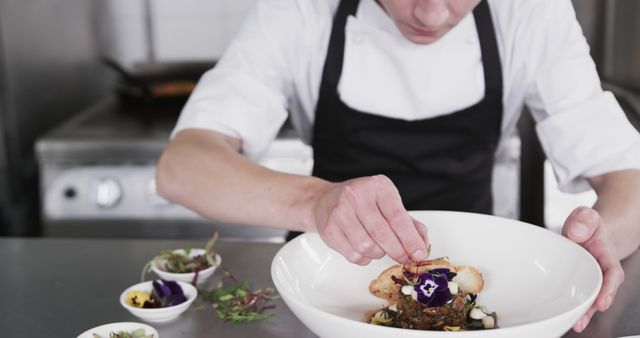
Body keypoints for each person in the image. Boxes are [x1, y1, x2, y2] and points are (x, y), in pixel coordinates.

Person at [156, 0, 640, 332]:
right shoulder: (300, 9)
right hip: (326, 294)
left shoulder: (531, 11)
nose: (432, 13)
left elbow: (628, 175)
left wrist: (601, 242)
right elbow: (183, 166)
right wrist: (316, 200)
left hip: (484, 294)